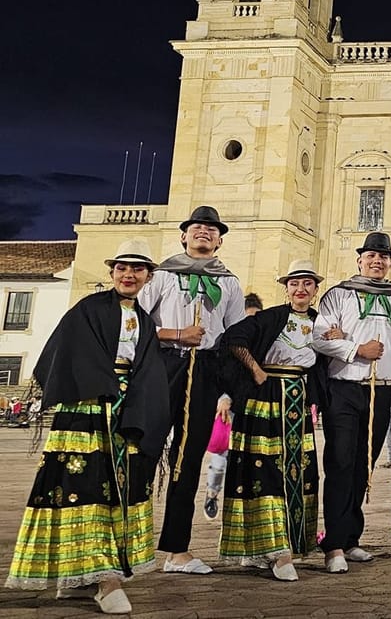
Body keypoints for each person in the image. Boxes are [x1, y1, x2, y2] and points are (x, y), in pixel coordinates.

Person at [5, 239, 170, 614]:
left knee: (116, 491)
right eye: (123, 268)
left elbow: (148, 366)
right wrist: (103, 384)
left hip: (125, 413)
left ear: (148, 276)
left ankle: (80, 579)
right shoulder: (87, 309)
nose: (129, 275)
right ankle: (99, 577)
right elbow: (69, 353)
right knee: (83, 488)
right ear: (112, 272)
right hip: (88, 410)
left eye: (138, 269)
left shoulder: (145, 319)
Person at [139, 206, 246, 574]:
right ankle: (128, 544)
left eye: (211, 229)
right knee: (144, 452)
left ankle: (177, 550)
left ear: (219, 239)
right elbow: (132, 324)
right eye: (197, 227)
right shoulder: (161, 276)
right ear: (183, 235)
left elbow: (235, 337)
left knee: (187, 459)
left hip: (206, 370)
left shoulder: (229, 282)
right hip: (163, 365)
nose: (204, 232)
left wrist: (228, 389)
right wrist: (176, 334)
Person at [216, 260, 328, 581]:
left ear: (315, 290)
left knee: (297, 471)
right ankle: (271, 549)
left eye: (307, 283)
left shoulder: (321, 323)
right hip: (264, 400)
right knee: (261, 471)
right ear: (287, 288)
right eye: (295, 283)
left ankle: (286, 545)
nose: (301, 289)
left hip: (297, 399)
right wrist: (255, 368)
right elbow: (234, 339)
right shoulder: (269, 318)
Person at [312, 232, 391, 574]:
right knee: (340, 462)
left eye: (383, 257)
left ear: (390, 262)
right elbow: (321, 337)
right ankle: (334, 544)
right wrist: (356, 349)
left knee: (363, 465)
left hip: (381, 389)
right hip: (345, 388)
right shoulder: (338, 294)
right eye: (371, 255)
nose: (377, 261)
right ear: (360, 259)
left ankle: (351, 537)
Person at [203, 293, 264, 521]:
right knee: (221, 457)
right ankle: (212, 492)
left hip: (254, 404)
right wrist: (223, 396)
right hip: (230, 404)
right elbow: (219, 372)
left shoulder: (261, 342)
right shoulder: (228, 342)